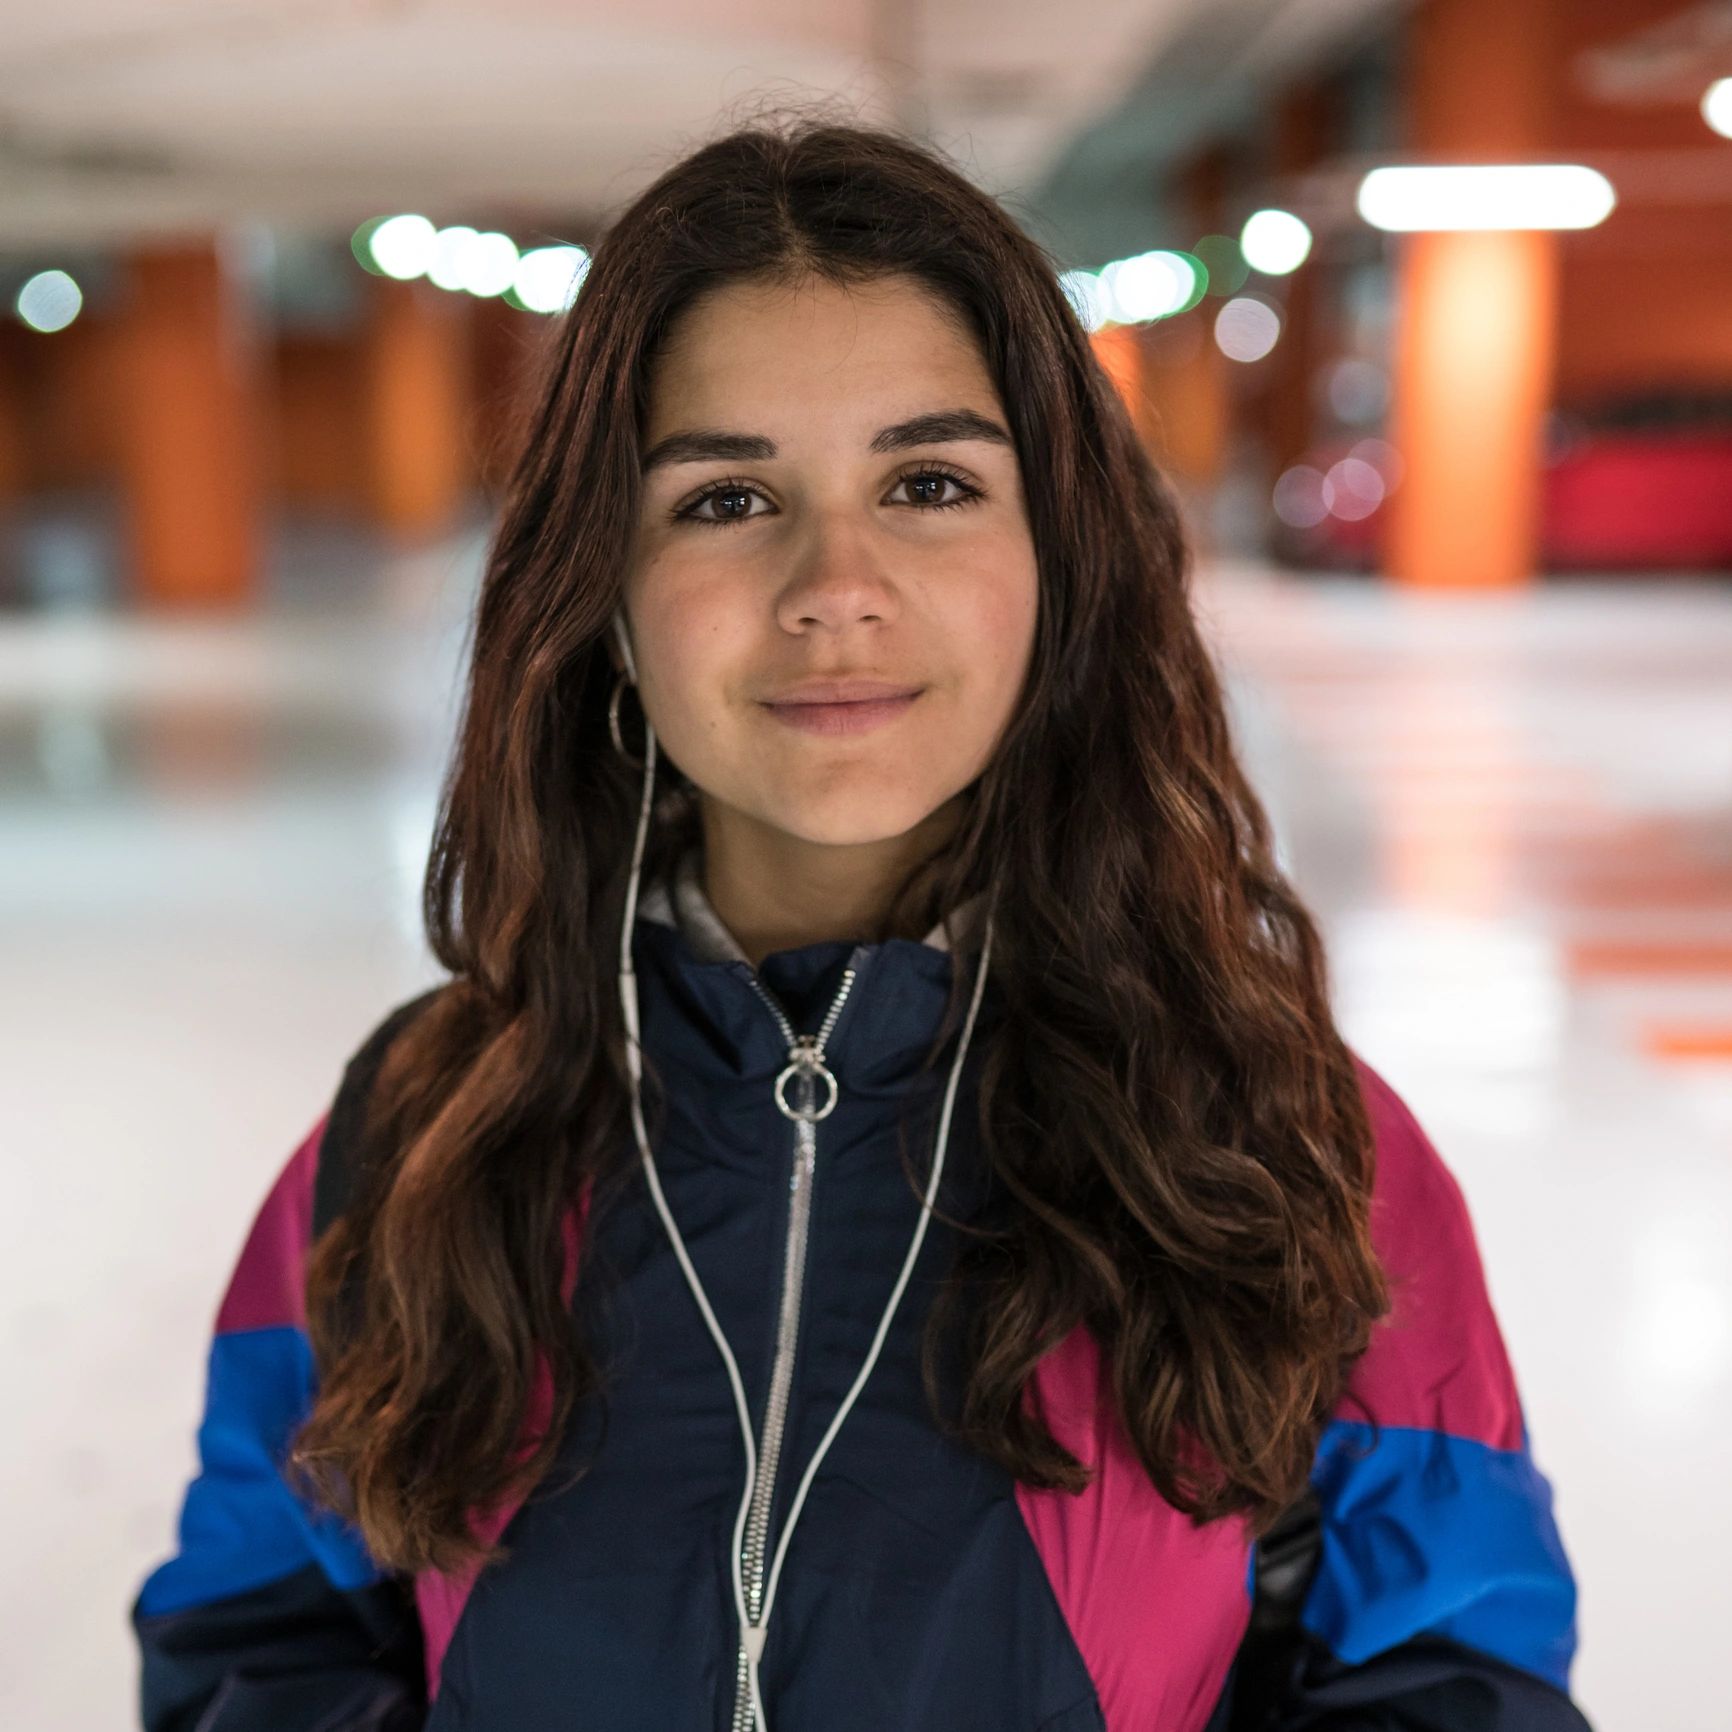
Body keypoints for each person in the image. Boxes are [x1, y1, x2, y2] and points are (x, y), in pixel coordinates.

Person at [129, 112, 1591, 1732]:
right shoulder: (409, 1145)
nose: (837, 581)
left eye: (929, 481)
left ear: (1060, 563)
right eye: (726, 500)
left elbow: (1452, 1678)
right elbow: (259, 1638)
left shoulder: (1293, 1147)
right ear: (602, 593)